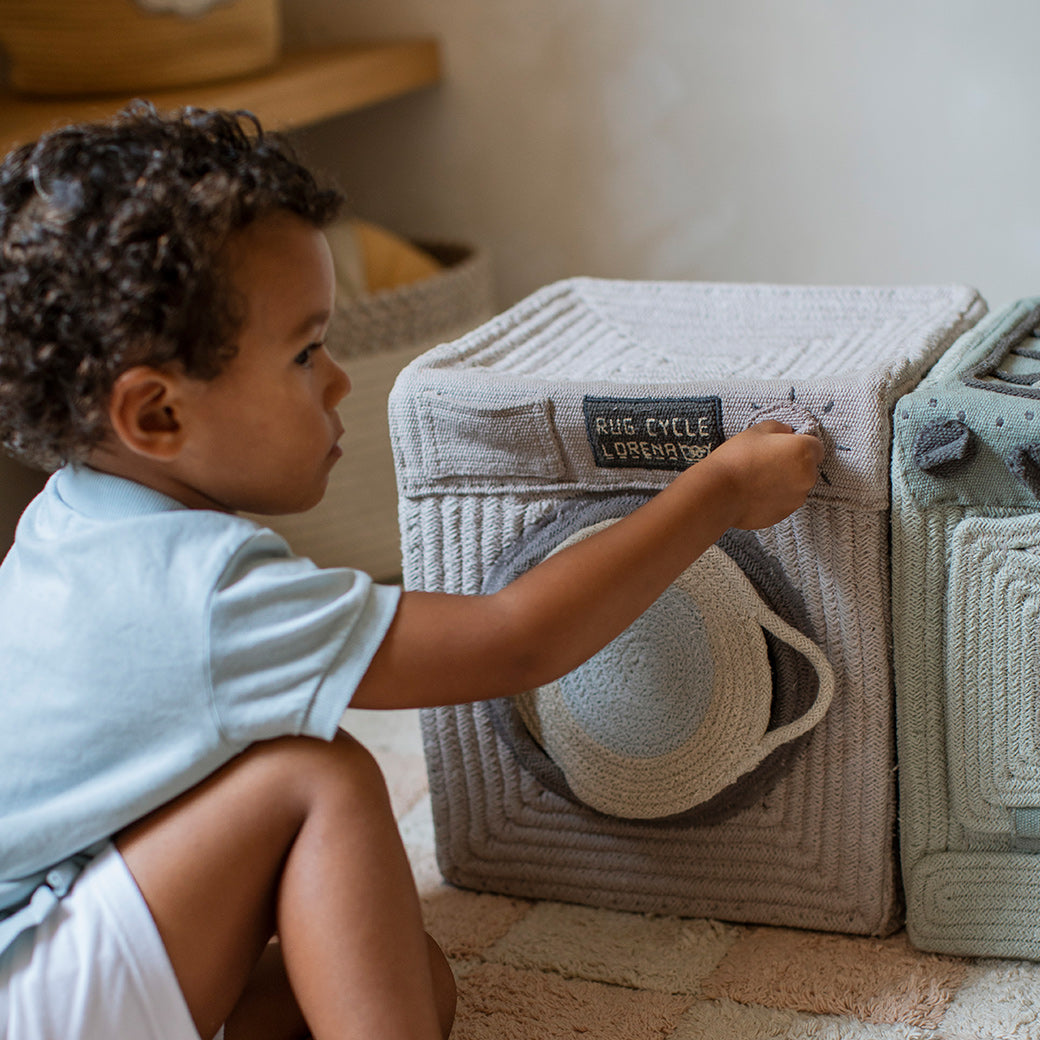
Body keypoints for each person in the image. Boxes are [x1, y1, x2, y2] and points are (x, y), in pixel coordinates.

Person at [0, 104, 824, 1040]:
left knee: (400, 977)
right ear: (154, 418)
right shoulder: (207, 593)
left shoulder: (68, 518)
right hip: (30, 992)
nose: (340, 380)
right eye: (305, 353)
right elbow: (517, 641)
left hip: (41, 945)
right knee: (320, 778)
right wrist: (715, 492)